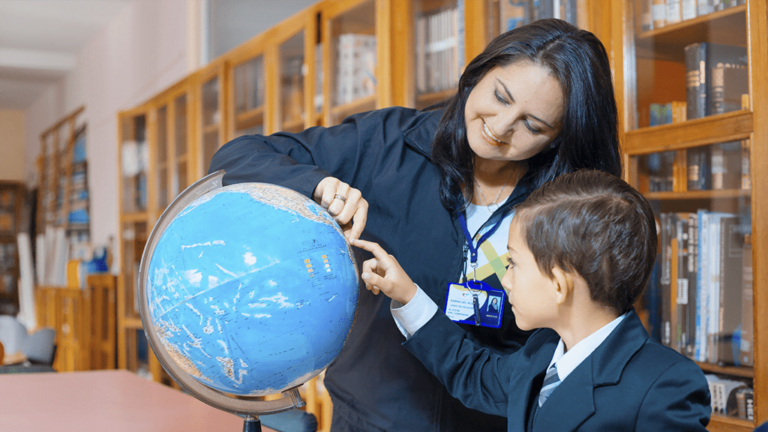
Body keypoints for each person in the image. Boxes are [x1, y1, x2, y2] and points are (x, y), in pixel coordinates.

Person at [209, 19, 620, 432]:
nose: (499, 127)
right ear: (478, 74)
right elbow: (238, 157)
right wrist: (317, 185)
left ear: (558, 138)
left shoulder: (565, 206)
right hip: (368, 420)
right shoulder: (389, 142)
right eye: (499, 96)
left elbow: (559, 356)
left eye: (532, 125)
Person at [353, 170, 711, 431]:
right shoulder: (541, 352)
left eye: (513, 263)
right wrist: (407, 295)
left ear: (558, 284)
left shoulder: (664, 387)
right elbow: (473, 373)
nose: (504, 280)